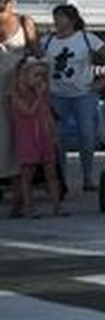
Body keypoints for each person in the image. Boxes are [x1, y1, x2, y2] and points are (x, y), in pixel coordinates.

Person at [41, 3, 105, 193]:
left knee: (87, 133)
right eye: (55, 16)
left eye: (61, 16)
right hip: (57, 94)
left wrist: (104, 79)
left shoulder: (86, 38)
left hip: (84, 93)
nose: (57, 21)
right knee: (58, 137)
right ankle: (60, 180)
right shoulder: (47, 41)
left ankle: (88, 176)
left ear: (72, 19)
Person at [8, 57, 63, 217]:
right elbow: (29, 112)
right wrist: (39, 97)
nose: (41, 80)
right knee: (28, 174)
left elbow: (47, 115)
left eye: (43, 76)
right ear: (24, 76)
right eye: (37, 75)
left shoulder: (44, 94)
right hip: (27, 138)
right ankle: (28, 207)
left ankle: (57, 206)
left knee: (51, 172)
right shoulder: (16, 95)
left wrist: (54, 134)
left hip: (44, 136)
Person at [0, 0, 41, 192]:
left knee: (19, 146)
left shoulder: (25, 21)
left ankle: (20, 200)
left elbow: (38, 57)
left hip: (18, 95)